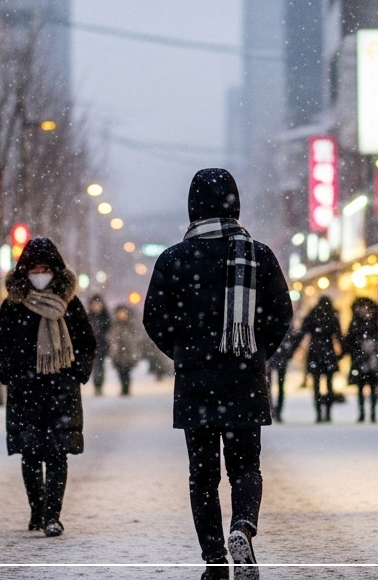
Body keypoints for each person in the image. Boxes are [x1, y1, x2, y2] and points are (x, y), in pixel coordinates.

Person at [143, 168, 293, 580]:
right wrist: (254, 351)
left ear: (192, 206)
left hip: (196, 382)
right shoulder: (257, 255)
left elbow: (154, 319)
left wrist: (184, 352)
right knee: (245, 468)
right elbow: (281, 314)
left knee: (203, 477)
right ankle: (242, 526)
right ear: (234, 203)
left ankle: (214, 562)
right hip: (243, 378)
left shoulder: (173, 259)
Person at [0, 238, 97, 537]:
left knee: (57, 454)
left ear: (56, 270)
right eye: (34, 269)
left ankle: (53, 515)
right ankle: (37, 511)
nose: (40, 274)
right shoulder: (13, 305)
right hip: (25, 391)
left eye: (45, 268)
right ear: (24, 271)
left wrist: (75, 372)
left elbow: (87, 342)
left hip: (61, 391)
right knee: (30, 454)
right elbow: (0, 344)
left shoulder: (69, 304)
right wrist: (12, 374)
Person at [301, 297, 344, 423]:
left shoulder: (313, 315)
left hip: (315, 352)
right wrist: (342, 353)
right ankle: (328, 413)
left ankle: (319, 413)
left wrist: (292, 349)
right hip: (329, 353)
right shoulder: (332, 316)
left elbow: (302, 333)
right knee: (329, 385)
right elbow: (339, 336)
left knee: (316, 385)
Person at [344, 297, 378, 423]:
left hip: (371, 360)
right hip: (361, 359)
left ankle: (372, 413)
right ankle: (363, 413)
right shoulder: (358, 323)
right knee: (361, 386)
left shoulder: (373, 323)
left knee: (372, 386)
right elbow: (349, 341)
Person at [265, 319, 301, 423]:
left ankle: (271, 409)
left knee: (268, 384)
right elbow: (292, 337)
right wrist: (290, 353)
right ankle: (278, 410)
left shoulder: (269, 319)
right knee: (279, 384)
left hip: (270, 356)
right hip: (282, 356)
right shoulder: (285, 319)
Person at [108, 304, 141, 396]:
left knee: (127, 372)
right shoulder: (114, 326)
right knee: (121, 373)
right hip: (118, 354)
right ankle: (123, 388)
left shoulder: (131, 326)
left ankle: (126, 388)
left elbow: (135, 340)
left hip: (128, 354)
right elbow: (111, 339)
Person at [87, 294, 112, 396]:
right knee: (94, 366)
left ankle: (99, 385)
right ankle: (97, 385)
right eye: (94, 304)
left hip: (102, 346)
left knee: (99, 366)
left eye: (98, 304)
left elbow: (110, 332)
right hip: (91, 346)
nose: (96, 306)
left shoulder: (106, 317)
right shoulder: (88, 317)